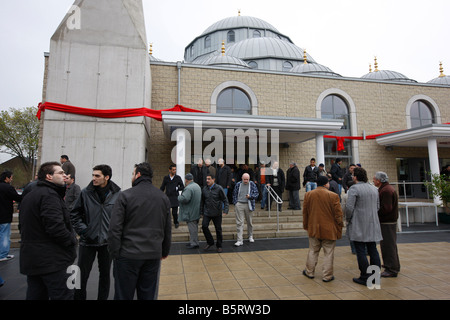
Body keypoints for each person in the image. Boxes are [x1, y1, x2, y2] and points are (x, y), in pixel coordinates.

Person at [108, 162, 171, 300]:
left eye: (132, 174)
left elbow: (115, 228)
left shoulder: (125, 196)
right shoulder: (163, 197)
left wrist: (115, 253)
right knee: (147, 295)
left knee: (123, 295)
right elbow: (167, 228)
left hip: (128, 255)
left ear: (138, 175)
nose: (132, 176)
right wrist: (164, 251)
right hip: (152, 255)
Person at [19, 162, 77, 300]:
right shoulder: (49, 196)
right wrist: (72, 240)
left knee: (36, 294)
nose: (65, 175)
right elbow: (56, 228)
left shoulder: (31, 195)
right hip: (52, 261)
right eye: (61, 173)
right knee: (63, 295)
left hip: (33, 259)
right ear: (49, 176)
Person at [70, 164, 121, 300]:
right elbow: (74, 214)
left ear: (107, 177)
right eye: (93, 175)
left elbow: (120, 217)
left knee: (105, 276)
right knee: (81, 275)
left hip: (106, 243)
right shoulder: (85, 193)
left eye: (97, 176)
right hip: (87, 242)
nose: (94, 178)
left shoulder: (117, 194)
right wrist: (84, 231)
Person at [345, 167, 382, 286]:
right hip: (372, 222)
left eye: (353, 175)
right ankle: (375, 277)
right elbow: (377, 206)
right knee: (373, 250)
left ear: (355, 177)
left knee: (360, 250)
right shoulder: (374, 189)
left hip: (358, 223)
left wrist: (348, 219)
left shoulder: (354, 188)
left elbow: (349, 208)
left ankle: (365, 276)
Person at [302, 176, 343, 282]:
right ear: (326, 184)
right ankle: (327, 276)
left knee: (312, 251)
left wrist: (306, 226)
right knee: (328, 253)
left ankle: (309, 272)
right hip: (329, 229)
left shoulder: (308, 194)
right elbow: (338, 214)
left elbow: (305, 213)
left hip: (313, 227)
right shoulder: (334, 196)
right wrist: (340, 226)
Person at [373, 171, 400, 278]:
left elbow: (386, 208)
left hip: (387, 222)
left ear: (379, 181)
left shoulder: (386, 191)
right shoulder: (386, 189)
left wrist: (375, 213)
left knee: (388, 246)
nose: (373, 181)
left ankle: (391, 269)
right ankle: (392, 266)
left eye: (374, 179)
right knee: (389, 245)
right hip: (388, 221)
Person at [201, 173, 229, 253]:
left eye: (209, 179)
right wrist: (202, 212)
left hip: (217, 213)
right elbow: (202, 201)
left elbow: (225, 199)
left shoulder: (219, 188)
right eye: (206, 179)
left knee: (218, 229)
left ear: (213, 179)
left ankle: (219, 245)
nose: (207, 181)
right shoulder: (204, 189)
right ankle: (210, 242)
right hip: (207, 212)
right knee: (204, 226)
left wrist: (225, 210)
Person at [232, 173, 259, 246]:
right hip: (239, 204)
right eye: (244, 179)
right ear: (242, 178)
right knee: (239, 222)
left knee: (249, 221)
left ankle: (250, 235)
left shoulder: (252, 184)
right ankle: (239, 240)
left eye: (247, 179)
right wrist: (236, 203)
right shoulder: (238, 184)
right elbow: (234, 193)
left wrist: (250, 196)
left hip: (249, 204)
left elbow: (256, 194)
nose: (246, 181)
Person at [0, 170, 22, 262]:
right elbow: (17, 198)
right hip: (4, 215)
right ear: (7, 178)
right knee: (5, 235)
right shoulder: (8, 188)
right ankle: (3, 254)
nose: (11, 179)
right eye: (11, 178)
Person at [178, 173, 202, 249]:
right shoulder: (197, 186)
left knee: (192, 228)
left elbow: (185, 199)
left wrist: (179, 197)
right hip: (196, 210)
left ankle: (194, 243)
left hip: (190, 212)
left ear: (186, 180)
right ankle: (193, 241)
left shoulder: (189, 188)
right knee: (194, 227)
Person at [160, 164, 184, 228]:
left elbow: (182, 186)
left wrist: (177, 188)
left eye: (175, 169)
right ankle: (166, 224)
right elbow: (162, 187)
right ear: (169, 170)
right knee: (166, 212)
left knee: (174, 213)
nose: (175, 171)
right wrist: (159, 194)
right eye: (173, 170)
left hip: (175, 197)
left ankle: (176, 222)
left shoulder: (178, 178)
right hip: (167, 197)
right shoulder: (166, 178)